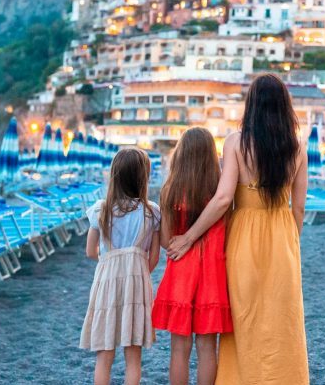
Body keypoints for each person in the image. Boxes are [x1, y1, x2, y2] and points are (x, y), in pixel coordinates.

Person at [168, 74, 310, 384]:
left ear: (252, 105)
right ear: (285, 105)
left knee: (242, 318)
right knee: (281, 317)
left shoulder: (237, 141)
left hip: (243, 234)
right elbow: (298, 206)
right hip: (282, 234)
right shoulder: (298, 146)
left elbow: (222, 199)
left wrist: (190, 237)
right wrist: (289, 239)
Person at [153, 127, 232, 385]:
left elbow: (166, 241)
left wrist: (184, 239)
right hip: (212, 277)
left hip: (181, 277)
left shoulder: (170, 190)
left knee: (179, 350)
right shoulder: (220, 192)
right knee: (207, 349)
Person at [79, 148, 161, 385]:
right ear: (143, 177)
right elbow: (154, 258)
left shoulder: (101, 209)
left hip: (106, 283)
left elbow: (90, 251)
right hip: (137, 284)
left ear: (114, 175)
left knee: (104, 355)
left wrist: (111, 263)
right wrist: (136, 270)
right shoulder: (152, 211)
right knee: (133, 357)